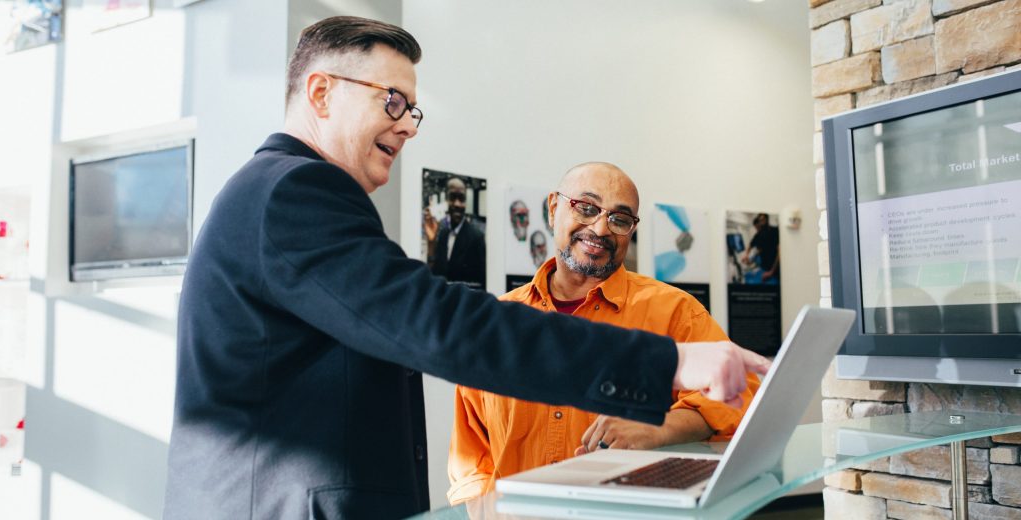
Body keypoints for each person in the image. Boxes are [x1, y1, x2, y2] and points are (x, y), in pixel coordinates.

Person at [163, 16, 770, 520]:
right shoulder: (295, 192)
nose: (406, 123)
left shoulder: (279, 193)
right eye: (392, 100)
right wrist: (669, 362)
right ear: (321, 92)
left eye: (413, 110)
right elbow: (436, 324)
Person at [447, 163, 761, 504]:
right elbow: (471, 457)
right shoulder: (499, 322)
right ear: (553, 209)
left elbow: (741, 396)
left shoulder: (675, 311)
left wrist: (658, 427)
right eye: (586, 207)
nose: (600, 228)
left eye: (619, 219)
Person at [423, 176, 486, 289]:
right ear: (446, 201)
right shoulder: (443, 234)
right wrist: (431, 243)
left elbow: (480, 286)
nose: (457, 204)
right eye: (452, 198)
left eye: (461, 199)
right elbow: (434, 276)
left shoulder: (476, 238)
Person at [743, 212, 780, 283]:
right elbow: (751, 245)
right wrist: (746, 255)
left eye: (763, 220)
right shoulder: (759, 234)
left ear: (767, 219)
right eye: (760, 220)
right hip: (764, 269)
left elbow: (779, 252)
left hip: (774, 270)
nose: (761, 223)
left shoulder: (775, 231)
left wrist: (771, 272)